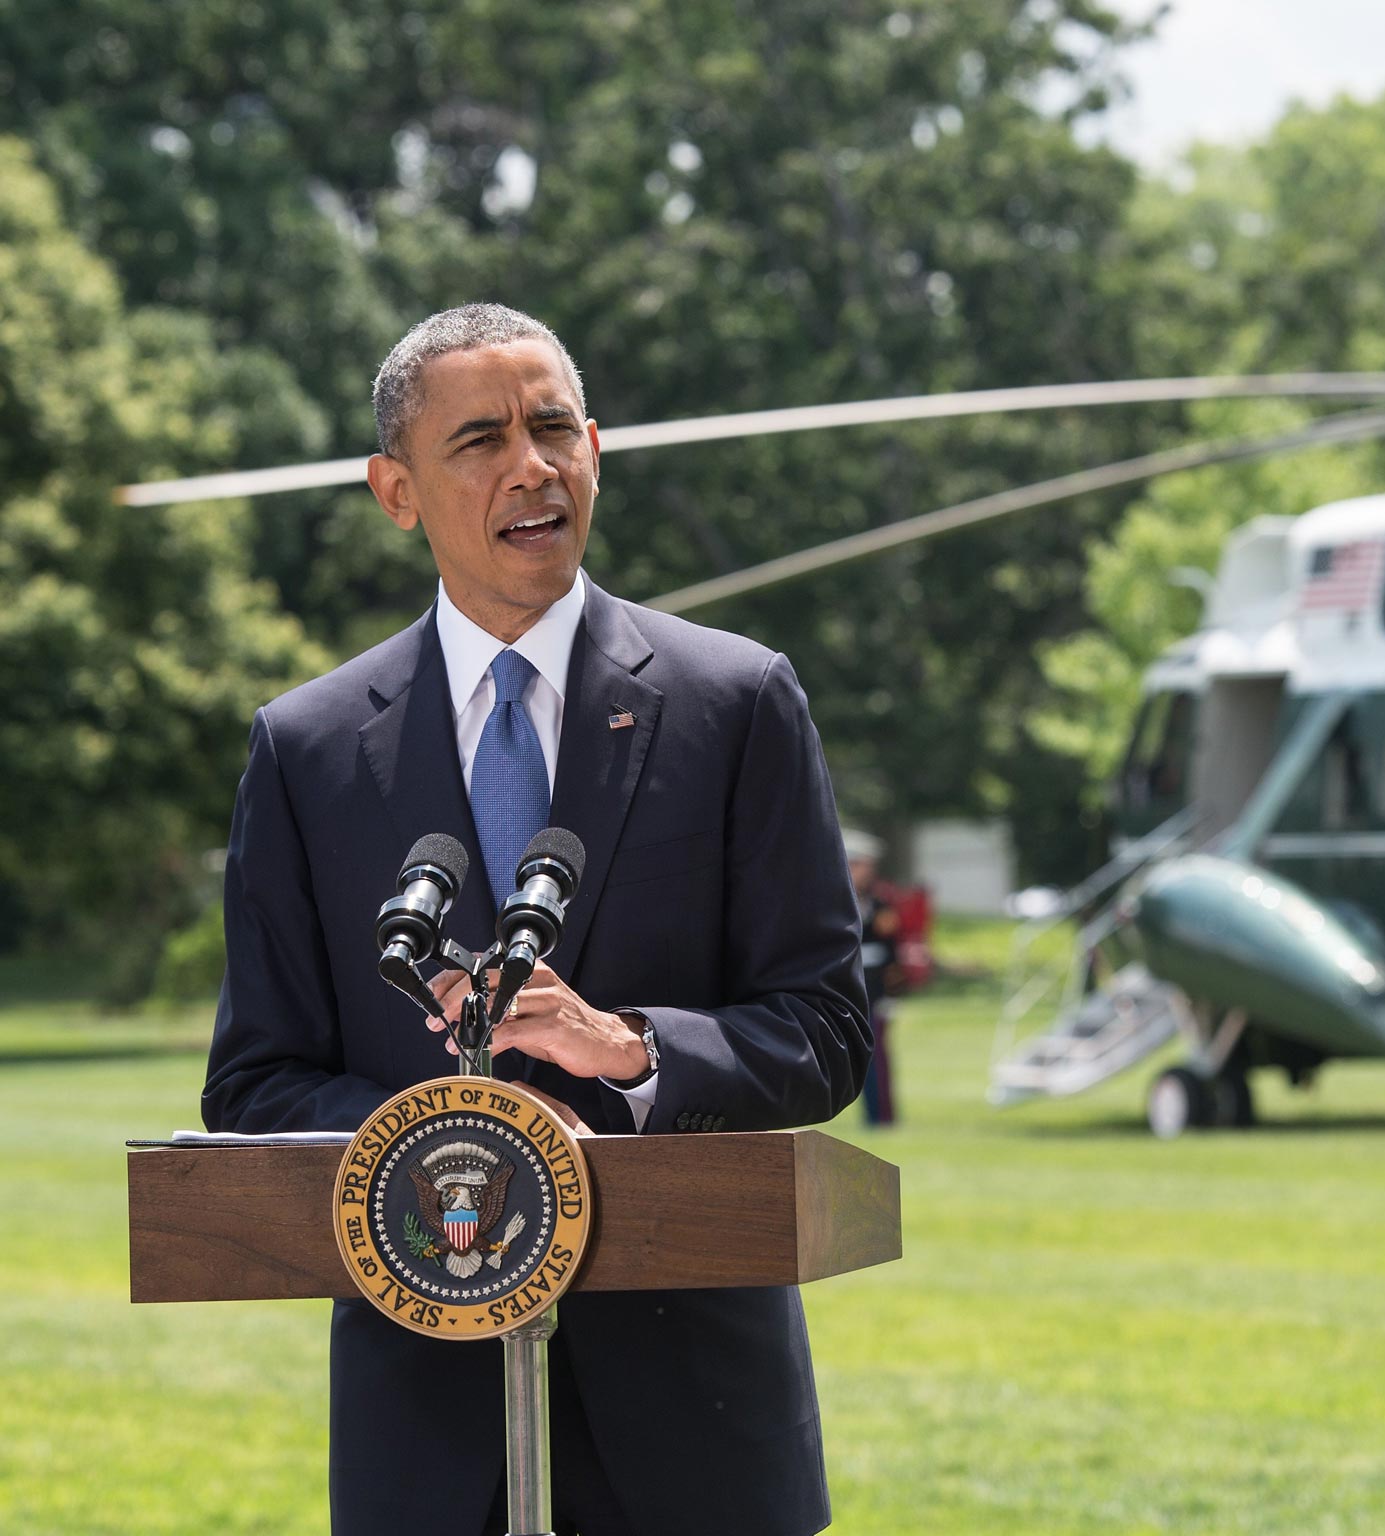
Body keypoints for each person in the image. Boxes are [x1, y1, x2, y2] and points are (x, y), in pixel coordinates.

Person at [201, 303, 871, 1536]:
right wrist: (469, 1137)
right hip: (428, 1437)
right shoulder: (303, 751)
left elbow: (828, 1030)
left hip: (700, 1434)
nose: (532, 465)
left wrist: (631, 1051)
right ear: (395, 491)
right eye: (480, 440)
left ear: (597, 453)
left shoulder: (737, 702)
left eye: (554, 427)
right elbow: (256, 1084)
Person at [843, 831, 900, 1126]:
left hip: (875, 992)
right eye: (860, 865)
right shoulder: (834, 900)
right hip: (845, 993)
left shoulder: (879, 903)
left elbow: (892, 953)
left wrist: (891, 996)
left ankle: (881, 1117)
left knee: (879, 1059)